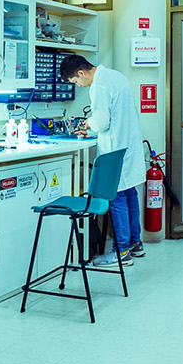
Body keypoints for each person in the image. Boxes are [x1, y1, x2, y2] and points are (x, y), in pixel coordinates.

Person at [62, 54, 147, 267]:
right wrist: (93, 132)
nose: (79, 85)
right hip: (127, 146)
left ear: (81, 73)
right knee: (129, 194)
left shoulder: (99, 85)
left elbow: (101, 121)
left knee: (116, 197)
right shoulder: (115, 76)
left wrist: (88, 125)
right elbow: (115, 119)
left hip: (115, 150)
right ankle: (135, 244)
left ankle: (122, 251)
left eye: (75, 81)